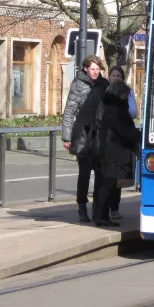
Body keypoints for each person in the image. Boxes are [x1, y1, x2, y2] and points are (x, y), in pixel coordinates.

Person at [62, 55, 109, 223]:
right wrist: (67, 137)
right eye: (93, 69)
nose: (95, 72)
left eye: (98, 69)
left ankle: (99, 208)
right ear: (86, 69)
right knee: (84, 173)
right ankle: (82, 205)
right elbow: (69, 112)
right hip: (83, 135)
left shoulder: (105, 85)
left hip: (101, 135)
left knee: (101, 173)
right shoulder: (78, 85)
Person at [93, 80, 141, 228]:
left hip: (109, 148)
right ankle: (101, 216)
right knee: (107, 184)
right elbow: (124, 130)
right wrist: (139, 136)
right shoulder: (115, 108)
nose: (127, 97)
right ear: (120, 94)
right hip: (112, 150)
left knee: (107, 183)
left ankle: (101, 215)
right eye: (126, 94)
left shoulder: (109, 105)